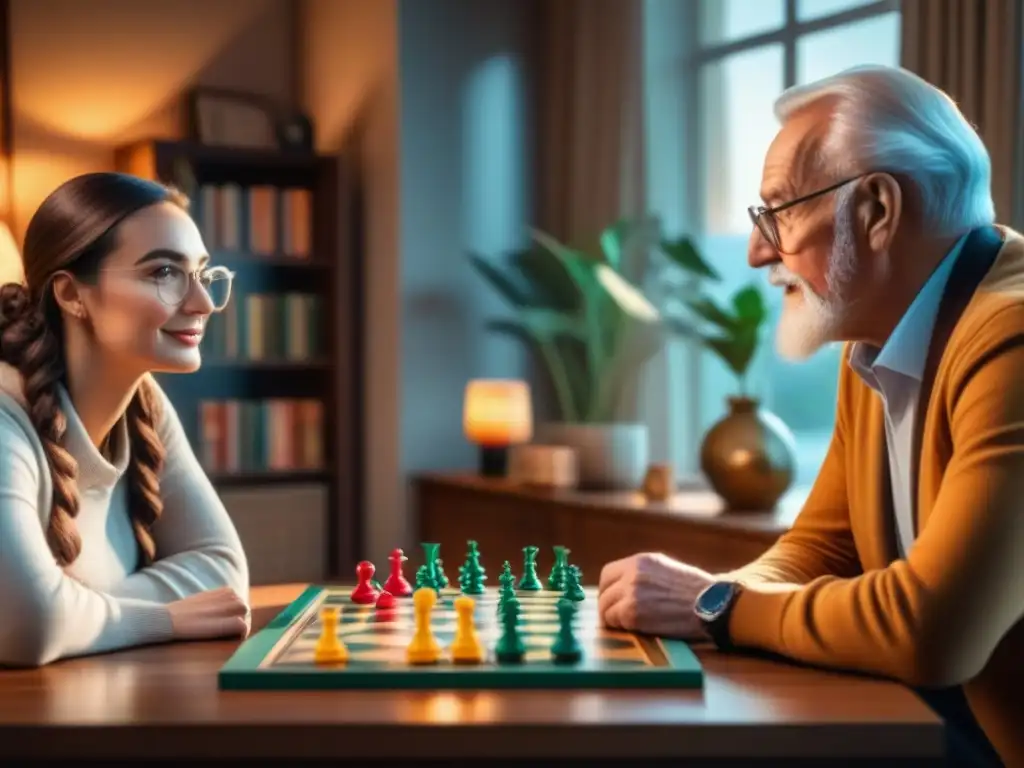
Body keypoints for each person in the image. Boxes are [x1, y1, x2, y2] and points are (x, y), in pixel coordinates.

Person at [598, 66, 1022, 766]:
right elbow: (822, 548)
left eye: (780, 211)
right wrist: (723, 599)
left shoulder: (1011, 337)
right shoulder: (880, 337)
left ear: (878, 211)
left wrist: (715, 605)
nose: (759, 250)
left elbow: (934, 631)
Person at [0, 172, 250, 668]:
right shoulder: (7, 418)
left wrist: (76, 604)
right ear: (72, 295)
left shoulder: (145, 404)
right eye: (164, 273)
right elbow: (27, 623)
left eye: (202, 273)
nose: (202, 303)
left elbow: (224, 575)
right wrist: (169, 618)